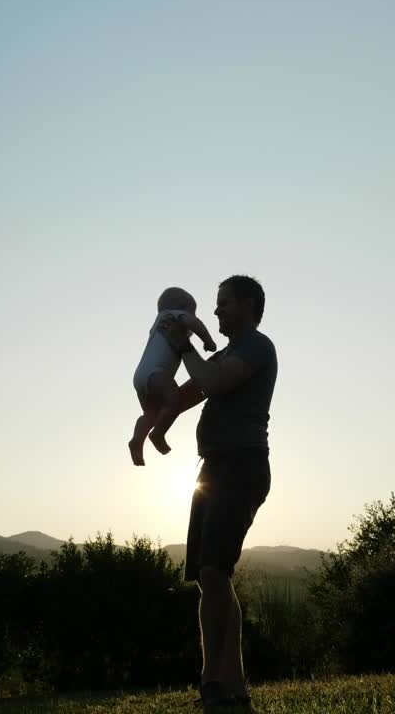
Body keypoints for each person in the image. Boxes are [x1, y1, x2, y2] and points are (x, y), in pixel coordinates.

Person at [159, 274, 277, 711]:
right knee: (213, 576)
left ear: (247, 305)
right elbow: (187, 393)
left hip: (241, 467)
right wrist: (154, 422)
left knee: (213, 570)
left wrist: (186, 345)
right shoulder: (225, 354)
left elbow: (214, 382)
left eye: (223, 303)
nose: (215, 311)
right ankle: (234, 688)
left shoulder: (257, 347)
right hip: (213, 470)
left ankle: (212, 681)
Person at [130, 286, 218, 466]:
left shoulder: (158, 323)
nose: (193, 315)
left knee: (150, 413)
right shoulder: (173, 315)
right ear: (182, 307)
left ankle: (137, 440)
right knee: (174, 402)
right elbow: (195, 323)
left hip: (141, 375)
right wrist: (208, 341)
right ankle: (158, 433)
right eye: (193, 311)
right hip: (157, 373)